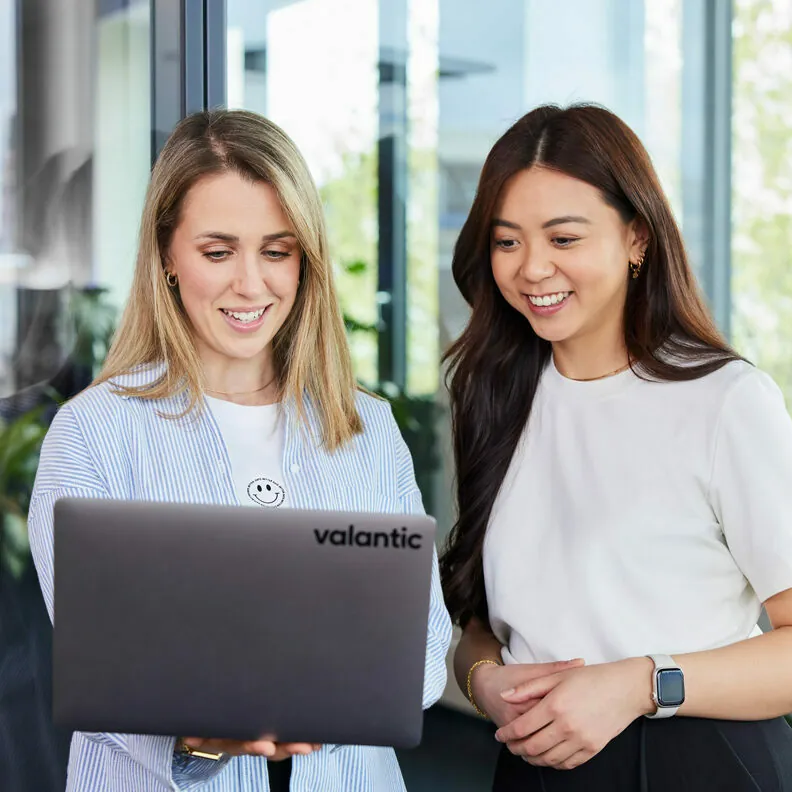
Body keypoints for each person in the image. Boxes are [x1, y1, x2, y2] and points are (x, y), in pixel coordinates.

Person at [28, 109, 452, 792]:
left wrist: (324, 702)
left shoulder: (368, 430)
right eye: (218, 252)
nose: (251, 284)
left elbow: (426, 655)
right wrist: (192, 735)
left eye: (277, 252)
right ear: (167, 254)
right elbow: (97, 670)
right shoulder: (95, 431)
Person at [440, 103, 792, 791]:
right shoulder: (493, 398)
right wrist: (486, 682)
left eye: (563, 239)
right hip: (534, 769)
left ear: (637, 238)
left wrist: (644, 683)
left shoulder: (726, 401)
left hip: (698, 764)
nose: (532, 269)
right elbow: (481, 628)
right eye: (507, 242)